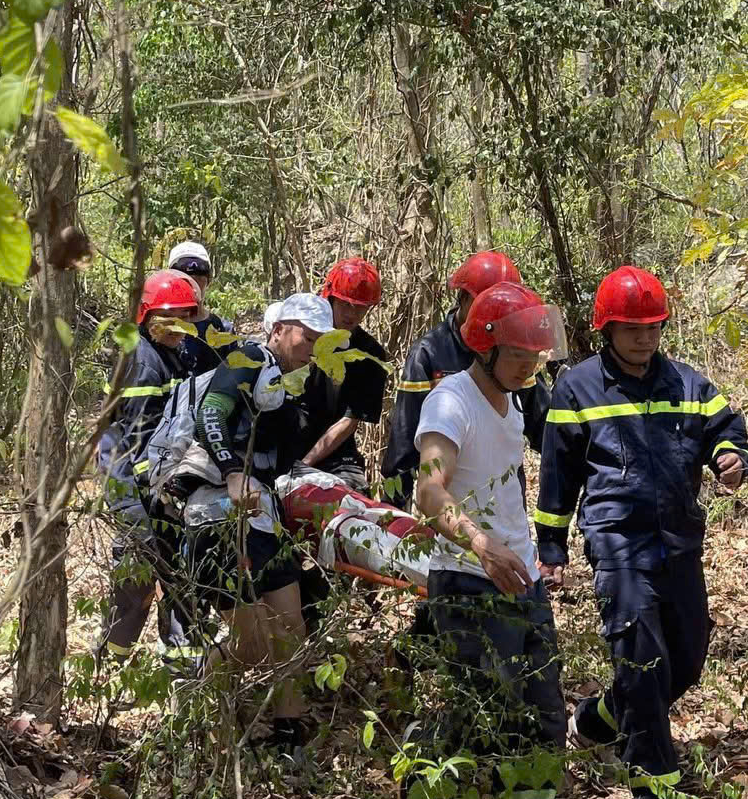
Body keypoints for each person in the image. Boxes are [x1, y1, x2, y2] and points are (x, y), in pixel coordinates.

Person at [533, 265, 748, 799]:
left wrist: (731, 457)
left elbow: (727, 429)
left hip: (680, 541)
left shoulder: (688, 384)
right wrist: (550, 545)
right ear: (606, 328)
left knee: (687, 659)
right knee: (644, 661)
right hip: (616, 543)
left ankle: (597, 720)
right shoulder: (576, 389)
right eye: (631, 327)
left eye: (653, 326)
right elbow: (557, 475)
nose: (643, 337)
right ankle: (656, 796)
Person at [413, 280, 570, 799]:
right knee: (493, 711)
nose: (529, 367)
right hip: (468, 579)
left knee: (545, 707)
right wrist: (480, 544)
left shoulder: (516, 402)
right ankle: (426, 779)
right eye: (518, 356)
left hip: (520, 573)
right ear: (484, 347)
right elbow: (429, 492)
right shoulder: (450, 402)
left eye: (536, 357)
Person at [150, 293, 337, 742]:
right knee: (249, 641)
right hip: (217, 510)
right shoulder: (250, 357)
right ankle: (199, 719)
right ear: (278, 330)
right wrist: (234, 474)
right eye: (305, 336)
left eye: (318, 339)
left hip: (262, 514)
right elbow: (211, 413)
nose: (310, 346)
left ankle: (288, 725)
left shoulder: (293, 381)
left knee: (290, 624)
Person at [94, 269, 218, 662]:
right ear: (147, 317)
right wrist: (162, 493)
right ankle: (109, 661)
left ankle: (183, 663)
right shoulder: (144, 363)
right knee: (139, 575)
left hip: (158, 485)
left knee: (181, 571)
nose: (180, 326)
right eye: (170, 318)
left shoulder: (172, 354)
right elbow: (139, 440)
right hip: (133, 485)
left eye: (185, 316)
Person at [381, 250, 549, 510]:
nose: (494, 314)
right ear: (462, 298)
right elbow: (404, 440)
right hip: (452, 512)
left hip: (506, 507)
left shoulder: (517, 350)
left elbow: (543, 427)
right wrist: (392, 512)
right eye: (485, 302)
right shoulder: (430, 352)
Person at [294, 257, 390, 492]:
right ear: (331, 298)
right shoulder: (299, 335)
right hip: (286, 444)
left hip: (337, 457)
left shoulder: (370, 354)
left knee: (354, 501)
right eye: (345, 304)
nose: (352, 313)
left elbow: (350, 420)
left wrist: (305, 465)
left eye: (360, 307)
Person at [168, 240, 235, 339]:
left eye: (198, 279)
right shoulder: (162, 327)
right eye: (185, 280)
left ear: (209, 281)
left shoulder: (222, 329)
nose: (192, 286)